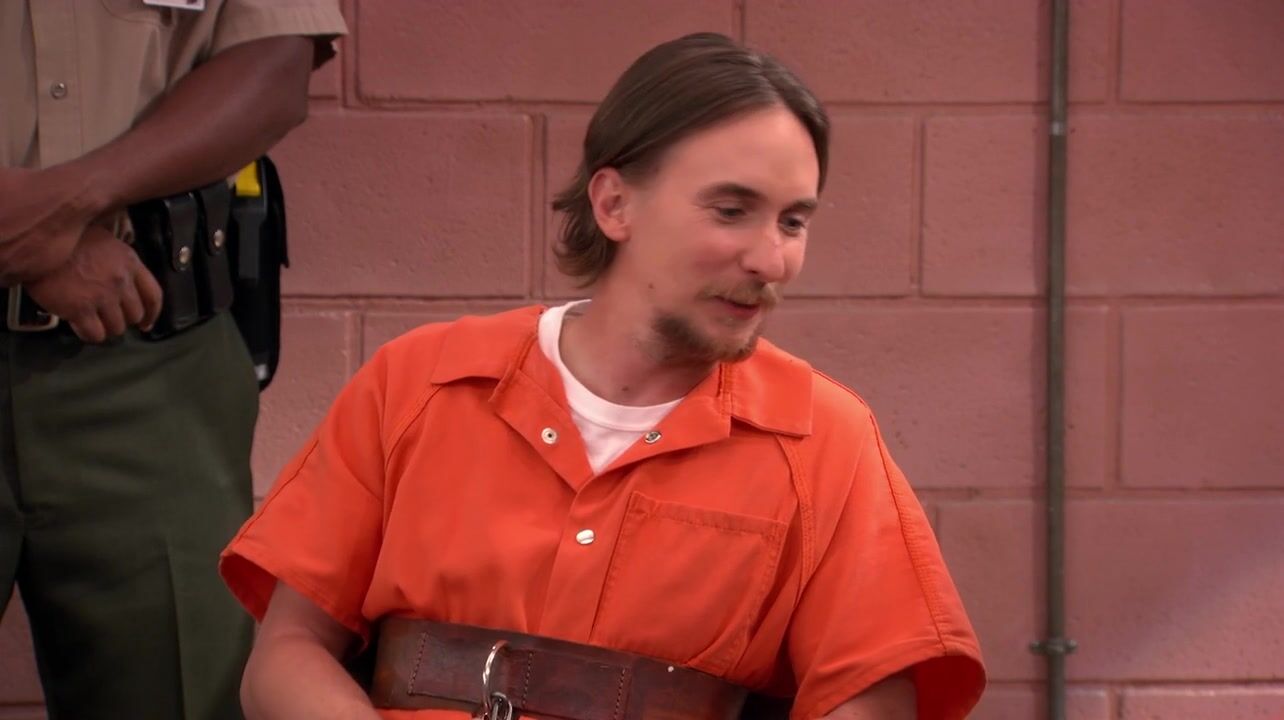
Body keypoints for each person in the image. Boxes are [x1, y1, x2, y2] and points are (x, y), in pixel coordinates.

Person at [220, 33, 986, 720]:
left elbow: (872, 701)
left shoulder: (825, 441)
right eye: (731, 210)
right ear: (615, 204)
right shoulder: (420, 382)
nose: (771, 259)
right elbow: (286, 655)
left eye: (793, 221)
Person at [0, 2, 346, 718]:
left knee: (181, 691)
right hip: (125, 307)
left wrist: (67, 206)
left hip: (147, 354)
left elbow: (277, 62)